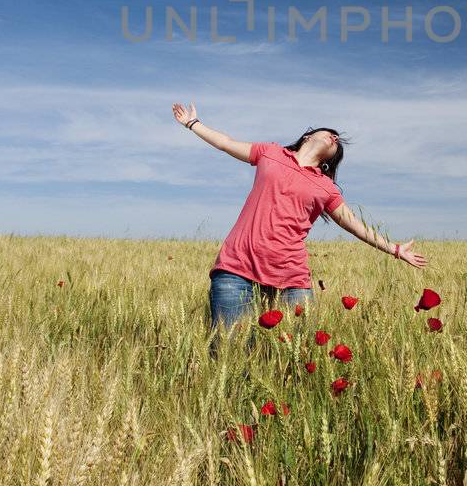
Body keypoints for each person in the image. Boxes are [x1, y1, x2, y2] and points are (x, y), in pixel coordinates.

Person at [171, 102, 428, 331]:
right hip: (236, 269)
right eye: (330, 132)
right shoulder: (270, 153)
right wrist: (193, 124)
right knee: (233, 353)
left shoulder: (326, 187)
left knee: (298, 358)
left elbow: (354, 224)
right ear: (307, 136)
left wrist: (395, 249)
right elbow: (225, 143)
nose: (335, 136)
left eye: (337, 141)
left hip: (291, 278)